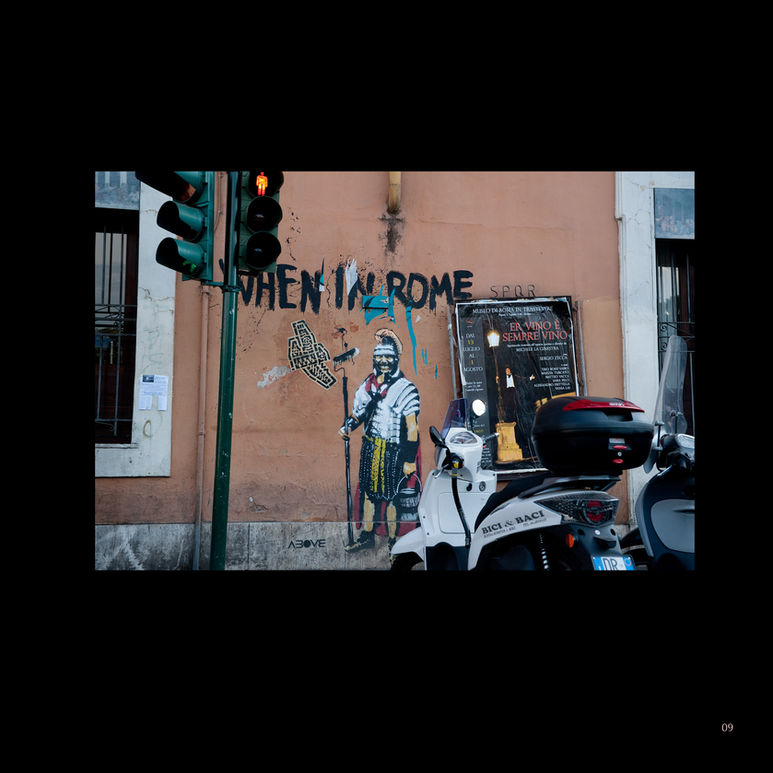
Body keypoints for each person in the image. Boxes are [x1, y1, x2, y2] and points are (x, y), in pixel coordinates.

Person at [339, 329, 421, 552]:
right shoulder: (368, 385)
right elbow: (359, 414)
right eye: (380, 357)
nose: (384, 361)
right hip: (370, 446)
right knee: (368, 494)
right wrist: (348, 427)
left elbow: (412, 428)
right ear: (374, 359)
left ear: (395, 360)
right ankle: (367, 536)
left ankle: (394, 542)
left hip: (394, 449)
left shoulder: (406, 389)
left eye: (388, 357)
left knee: (392, 497)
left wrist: (409, 460)